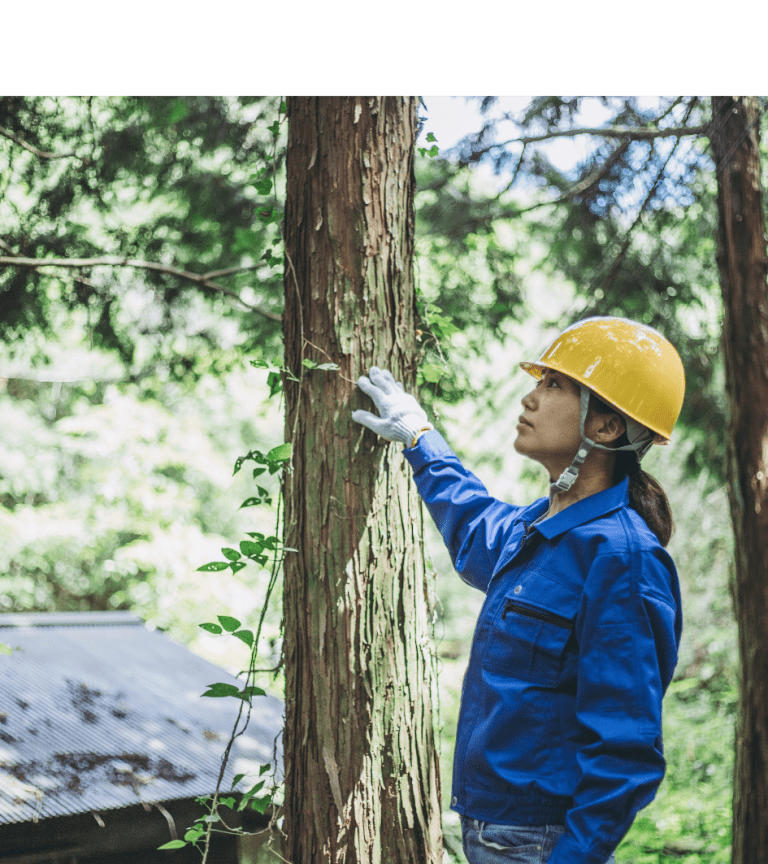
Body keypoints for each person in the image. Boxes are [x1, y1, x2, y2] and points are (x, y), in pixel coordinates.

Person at [351, 316, 685, 864]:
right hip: (488, 828)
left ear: (604, 428)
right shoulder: (541, 526)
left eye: (554, 384)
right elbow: (473, 521)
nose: (530, 397)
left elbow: (626, 752)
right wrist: (420, 439)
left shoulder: (622, 559)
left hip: (538, 844)